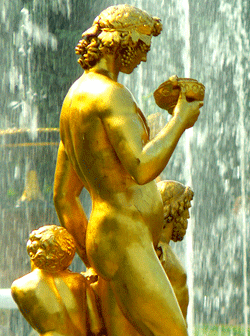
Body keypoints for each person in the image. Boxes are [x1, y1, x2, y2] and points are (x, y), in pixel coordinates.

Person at [53, 4, 203, 336]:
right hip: (126, 241)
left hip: (106, 239)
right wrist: (180, 120)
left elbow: (63, 197)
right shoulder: (112, 96)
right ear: (125, 40)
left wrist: (90, 255)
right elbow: (142, 167)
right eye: (143, 47)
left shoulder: (75, 98)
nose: (145, 58)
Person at [11, 225, 102, 336]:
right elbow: (96, 327)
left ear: (32, 249)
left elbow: (35, 325)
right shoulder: (79, 281)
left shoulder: (19, 286)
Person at [156, 180, 194, 320]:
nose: (188, 217)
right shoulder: (166, 258)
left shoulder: (151, 249)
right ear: (175, 210)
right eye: (185, 210)